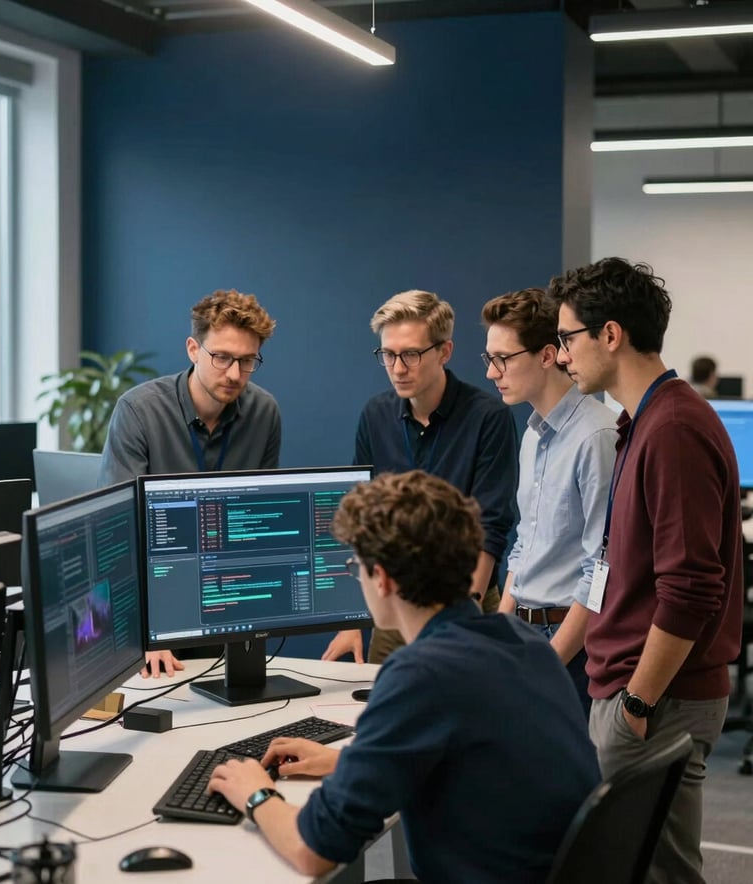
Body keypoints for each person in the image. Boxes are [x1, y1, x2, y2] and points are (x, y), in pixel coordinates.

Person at [208, 470, 600, 883]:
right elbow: (475, 756)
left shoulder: (421, 674)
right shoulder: (521, 640)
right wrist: (347, 762)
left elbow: (314, 851)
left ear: (382, 578)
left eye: (354, 565)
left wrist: (255, 792)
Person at [549, 257, 743, 884]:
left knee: (662, 874)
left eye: (567, 339)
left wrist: (636, 703)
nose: (560, 355)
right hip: (638, 692)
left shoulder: (674, 429)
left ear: (610, 334)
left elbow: (689, 590)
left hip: (655, 698)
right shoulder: (645, 421)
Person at [322, 289, 518, 664]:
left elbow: (491, 526)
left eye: (410, 354)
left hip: (467, 601)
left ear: (444, 352)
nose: (398, 368)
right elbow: (362, 525)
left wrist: (463, 617)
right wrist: (351, 618)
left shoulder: (487, 417)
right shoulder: (376, 415)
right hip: (395, 602)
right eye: (388, 355)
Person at [99, 289, 281, 677]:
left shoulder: (264, 411)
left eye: (247, 361)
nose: (234, 374)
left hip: (230, 603)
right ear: (193, 349)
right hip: (152, 610)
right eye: (221, 357)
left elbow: (263, 520)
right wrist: (146, 633)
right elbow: (119, 533)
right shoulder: (140, 411)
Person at [482, 288, 617, 715]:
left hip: (567, 645)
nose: (491, 373)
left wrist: (550, 661)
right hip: (523, 635)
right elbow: (525, 544)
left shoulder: (597, 436)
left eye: (502, 358)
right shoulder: (532, 434)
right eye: (489, 359)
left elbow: (600, 570)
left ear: (546, 355)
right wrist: (501, 631)